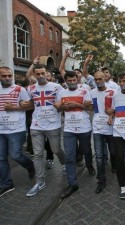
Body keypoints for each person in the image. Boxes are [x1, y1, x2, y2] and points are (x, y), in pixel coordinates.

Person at [25, 64, 66, 197]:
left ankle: (64, 163)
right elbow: (29, 104)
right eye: (38, 74)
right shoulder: (31, 88)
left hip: (53, 125)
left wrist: (60, 105)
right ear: (34, 75)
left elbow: (61, 104)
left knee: (56, 149)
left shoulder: (56, 87)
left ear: (46, 73)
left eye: (43, 73)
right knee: (38, 154)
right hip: (36, 125)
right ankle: (40, 181)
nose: (41, 76)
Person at [55, 71, 92, 198]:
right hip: (69, 129)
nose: (71, 83)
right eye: (69, 81)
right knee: (70, 157)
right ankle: (72, 184)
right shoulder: (61, 92)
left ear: (77, 80)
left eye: (73, 80)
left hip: (84, 127)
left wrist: (76, 104)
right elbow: (58, 108)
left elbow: (91, 108)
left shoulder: (85, 91)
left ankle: (89, 165)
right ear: (65, 81)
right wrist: (62, 107)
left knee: (86, 150)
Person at [0, 66, 35, 197]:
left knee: (15, 155)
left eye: (9, 75)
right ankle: (6, 184)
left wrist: (13, 108)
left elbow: (30, 106)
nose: (7, 78)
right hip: (0, 129)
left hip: (16, 129)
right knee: (1, 158)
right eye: (4, 76)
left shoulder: (19, 89)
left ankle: (30, 166)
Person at [84, 70, 117, 194]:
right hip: (97, 127)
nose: (98, 81)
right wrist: (86, 104)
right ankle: (101, 180)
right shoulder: (92, 92)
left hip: (111, 127)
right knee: (98, 156)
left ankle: (114, 165)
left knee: (113, 151)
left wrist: (112, 113)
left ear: (105, 78)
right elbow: (91, 107)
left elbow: (118, 108)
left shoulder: (113, 92)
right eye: (96, 79)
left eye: (100, 79)